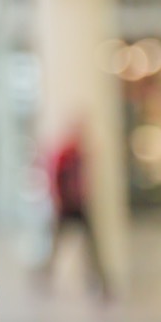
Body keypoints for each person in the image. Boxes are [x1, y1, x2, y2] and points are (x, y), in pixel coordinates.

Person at [42, 127, 111, 300]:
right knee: (56, 245)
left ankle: (99, 280)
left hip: (79, 206)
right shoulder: (65, 156)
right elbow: (56, 179)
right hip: (67, 207)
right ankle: (44, 272)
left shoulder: (78, 156)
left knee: (91, 247)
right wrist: (60, 201)